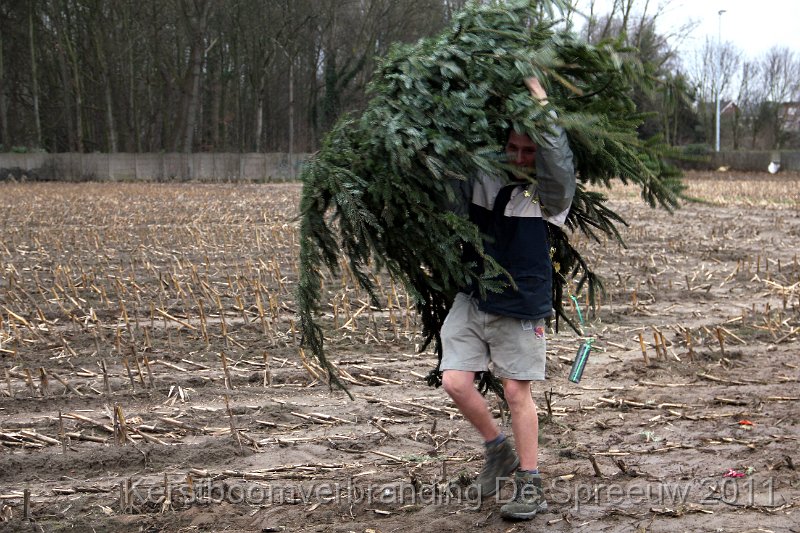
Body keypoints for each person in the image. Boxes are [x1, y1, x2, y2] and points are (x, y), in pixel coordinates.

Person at [439, 77, 575, 520]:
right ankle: (498, 451)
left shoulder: (550, 195)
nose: (519, 158)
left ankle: (530, 484)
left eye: (528, 151)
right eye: (512, 149)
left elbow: (558, 157)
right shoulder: (482, 176)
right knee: (455, 382)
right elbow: (456, 140)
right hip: (474, 297)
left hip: (521, 305)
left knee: (517, 391)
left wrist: (540, 101)